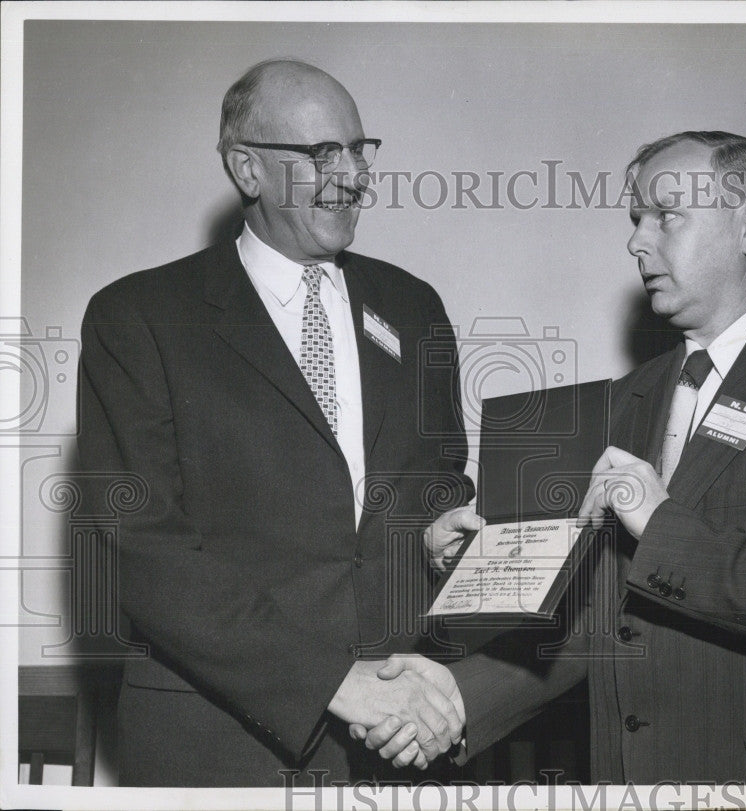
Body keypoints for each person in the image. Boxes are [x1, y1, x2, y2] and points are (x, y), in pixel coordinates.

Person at [359, 131, 746, 784]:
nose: (636, 241)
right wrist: (462, 682)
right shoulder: (619, 403)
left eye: (666, 215)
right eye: (635, 219)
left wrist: (662, 526)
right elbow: (598, 622)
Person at [77, 59, 473, 786]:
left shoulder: (413, 305)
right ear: (247, 169)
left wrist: (442, 536)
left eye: (361, 150)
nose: (353, 175)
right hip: (217, 746)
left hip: (398, 742)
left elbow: (438, 478)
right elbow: (141, 548)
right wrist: (331, 682)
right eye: (323, 154)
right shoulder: (138, 318)